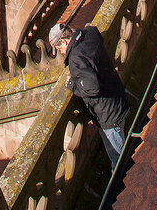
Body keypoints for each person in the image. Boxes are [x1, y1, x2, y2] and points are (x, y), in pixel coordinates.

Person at [50, 23, 129, 170]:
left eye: (59, 48)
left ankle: (126, 183)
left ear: (63, 41)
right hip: (118, 98)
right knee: (121, 145)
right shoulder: (89, 33)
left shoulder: (75, 58)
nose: (61, 52)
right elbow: (95, 30)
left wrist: (73, 84)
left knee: (118, 158)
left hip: (109, 114)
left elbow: (92, 88)